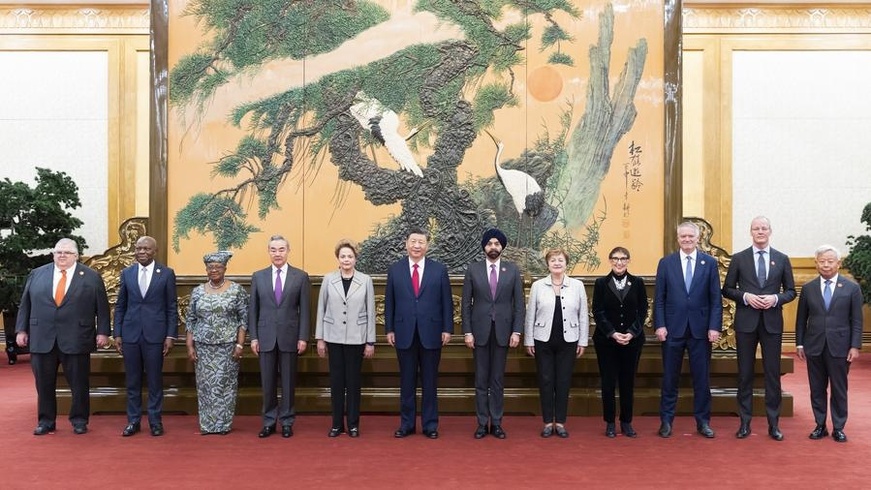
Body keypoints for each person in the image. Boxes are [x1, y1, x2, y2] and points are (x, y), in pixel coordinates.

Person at [15, 238, 111, 435]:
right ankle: (46, 421)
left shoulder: (91, 276)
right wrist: (21, 330)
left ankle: (79, 420)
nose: (62, 256)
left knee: (79, 383)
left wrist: (103, 332)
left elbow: (102, 307)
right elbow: (26, 304)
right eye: (58, 252)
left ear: (76, 256)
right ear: (53, 254)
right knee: (43, 383)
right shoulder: (38, 274)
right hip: (42, 337)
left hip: (77, 337)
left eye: (67, 253)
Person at [722, 216, 796, 441]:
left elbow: (791, 291)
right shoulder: (739, 258)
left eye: (764, 228)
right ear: (750, 232)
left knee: (772, 374)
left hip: (772, 323)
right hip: (746, 322)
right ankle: (745, 422)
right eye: (756, 228)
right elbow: (727, 289)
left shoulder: (782, 259)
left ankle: (774, 424)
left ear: (770, 231)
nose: (760, 231)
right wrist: (745, 296)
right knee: (744, 374)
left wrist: (775, 298)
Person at [654, 221, 722, 438]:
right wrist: (660, 325)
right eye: (683, 236)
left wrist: (714, 326)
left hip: (701, 331)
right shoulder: (666, 263)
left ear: (697, 238)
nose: (686, 240)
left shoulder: (709, 263)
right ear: (678, 238)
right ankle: (666, 421)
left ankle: (703, 422)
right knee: (669, 379)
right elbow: (660, 299)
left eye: (690, 237)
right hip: (672, 329)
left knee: (701, 380)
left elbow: (715, 299)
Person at [384, 227, 453, 439]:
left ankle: (430, 425)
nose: (416, 246)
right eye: (413, 241)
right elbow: (389, 302)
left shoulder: (439, 270)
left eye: (421, 242)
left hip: (432, 332)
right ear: (406, 243)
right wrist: (389, 329)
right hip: (404, 332)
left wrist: (447, 328)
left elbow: (447, 302)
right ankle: (407, 424)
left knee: (430, 381)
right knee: (406, 381)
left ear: (427, 246)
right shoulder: (395, 270)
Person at [795, 245, 863, 443]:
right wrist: (799, 343)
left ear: (838, 263)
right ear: (816, 263)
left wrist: (855, 346)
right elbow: (801, 320)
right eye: (822, 261)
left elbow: (857, 320)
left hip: (841, 346)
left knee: (839, 388)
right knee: (817, 388)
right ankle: (820, 424)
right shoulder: (808, 288)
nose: (826, 265)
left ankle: (839, 427)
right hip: (814, 345)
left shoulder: (851, 288)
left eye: (830, 261)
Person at [461, 228, 524, 439]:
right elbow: (466, 305)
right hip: (479, 333)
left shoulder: (512, 270)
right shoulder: (473, 269)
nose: (493, 247)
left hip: (504, 333)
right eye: (490, 244)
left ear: (502, 247)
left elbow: (519, 305)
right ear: (484, 247)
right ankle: (481, 423)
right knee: (481, 380)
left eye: (497, 244)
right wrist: (467, 332)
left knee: (497, 380)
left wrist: (516, 331)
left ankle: (496, 423)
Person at [113, 236, 179, 437]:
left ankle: (155, 421)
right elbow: (121, 305)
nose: (141, 252)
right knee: (132, 381)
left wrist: (170, 335)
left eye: (146, 249)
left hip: (155, 335)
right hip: (130, 335)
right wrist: (117, 333)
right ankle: (133, 421)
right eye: (138, 248)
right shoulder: (127, 273)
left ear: (155, 251)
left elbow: (171, 307)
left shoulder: (166, 274)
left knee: (154, 380)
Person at [249, 234, 311, 438]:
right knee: (267, 383)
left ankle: (286, 421)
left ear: (288, 251)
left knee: (288, 382)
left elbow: (305, 310)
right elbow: (253, 310)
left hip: (290, 336)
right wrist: (254, 337)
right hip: (265, 336)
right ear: (269, 251)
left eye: (281, 249)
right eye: (274, 250)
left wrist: (303, 337)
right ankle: (268, 421)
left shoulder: (300, 277)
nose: (277, 253)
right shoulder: (258, 276)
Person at [524, 248, 588, 438]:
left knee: (563, 381)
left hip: (569, 340)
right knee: (545, 381)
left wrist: (583, 341)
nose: (557, 263)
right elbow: (530, 315)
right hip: (542, 339)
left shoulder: (577, 285)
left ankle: (559, 422)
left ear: (566, 263)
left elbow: (583, 315)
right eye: (553, 260)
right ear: (548, 264)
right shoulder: (538, 286)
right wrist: (528, 339)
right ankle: (546, 422)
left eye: (560, 260)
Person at [315, 239, 376, 438]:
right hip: (333, 338)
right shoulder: (328, 279)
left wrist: (370, 341)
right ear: (338, 258)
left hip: (357, 339)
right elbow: (321, 309)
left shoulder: (365, 280)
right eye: (343, 256)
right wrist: (320, 338)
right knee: (336, 382)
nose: (346, 259)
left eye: (350, 256)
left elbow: (370, 310)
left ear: (356, 258)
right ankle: (336, 424)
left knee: (353, 382)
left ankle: (353, 424)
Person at [185, 251, 248, 435]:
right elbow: (191, 320)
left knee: (225, 386)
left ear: (225, 269)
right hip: (203, 346)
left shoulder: (236, 290)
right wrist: (190, 345)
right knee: (205, 386)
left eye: (218, 267)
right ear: (206, 269)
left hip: (227, 346)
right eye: (210, 267)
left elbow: (243, 320)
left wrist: (239, 344)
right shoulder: (197, 291)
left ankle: (222, 425)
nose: (214, 270)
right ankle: (207, 425)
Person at [592, 246, 647, 438]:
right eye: (615, 258)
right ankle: (609, 422)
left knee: (627, 382)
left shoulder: (638, 283)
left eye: (623, 258)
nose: (619, 262)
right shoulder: (601, 283)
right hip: (607, 341)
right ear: (609, 260)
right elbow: (598, 312)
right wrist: (613, 333)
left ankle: (626, 422)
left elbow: (643, 311)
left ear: (628, 260)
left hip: (632, 342)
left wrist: (631, 333)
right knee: (608, 383)